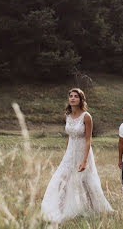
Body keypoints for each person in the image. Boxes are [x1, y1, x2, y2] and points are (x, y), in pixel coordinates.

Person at [41, 88, 113, 223]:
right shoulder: (67, 115)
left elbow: (88, 140)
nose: (73, 98)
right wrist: (66, 153)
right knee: (62, 179)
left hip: (83, 152)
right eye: (71, 96)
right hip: (70, 153)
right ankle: (61, 209)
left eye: (76, 96)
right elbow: (69, 136)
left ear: (81, 100)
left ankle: (94, 209)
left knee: (85, 181)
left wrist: (85, 160)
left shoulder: (86, 116)